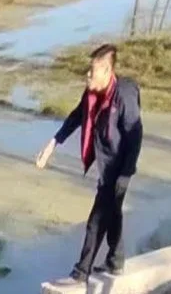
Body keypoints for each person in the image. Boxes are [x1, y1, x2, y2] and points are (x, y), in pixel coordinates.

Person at [36, 43, 143, 281]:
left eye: (92, 72)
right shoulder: (91, 93)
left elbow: (135, 137)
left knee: (97, 218)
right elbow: (76, 117)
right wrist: (53, 144)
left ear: (107, 72)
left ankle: (81, 271)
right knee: (112, 211)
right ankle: (115, 261)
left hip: (121, 163)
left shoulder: (123, 96)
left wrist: (125, 175)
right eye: (88, 70)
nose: (87, 75)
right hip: (106, 162)